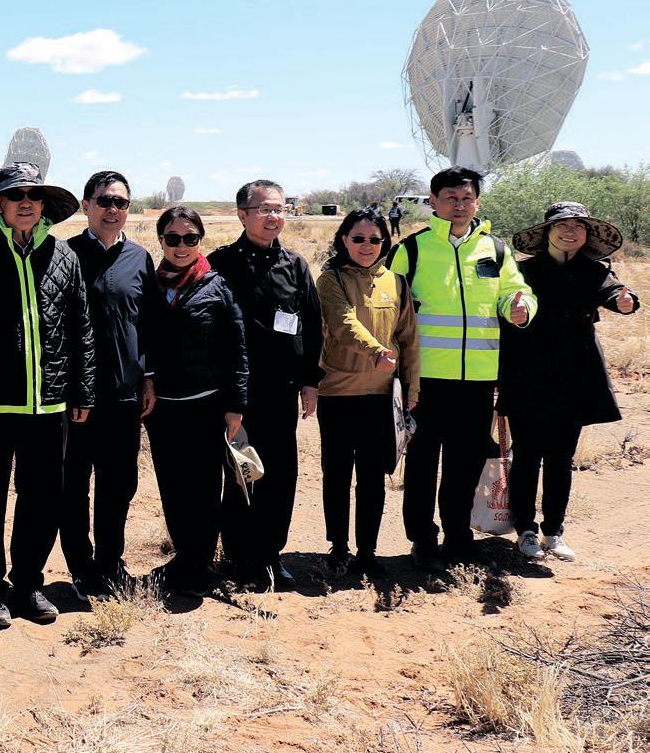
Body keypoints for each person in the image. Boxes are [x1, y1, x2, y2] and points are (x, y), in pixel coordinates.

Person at [0, 163, 95, 629]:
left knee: (42, 500)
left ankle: (28, 584)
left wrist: (82, 389)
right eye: (16, 196)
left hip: (49, 406)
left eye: (34, 195)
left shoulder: (64, 256)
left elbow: (81, 328)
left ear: (44, 204)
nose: (26, 203)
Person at [389, 167, 536, 570]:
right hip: (425, 379)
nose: (459, 204)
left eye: (466, 197)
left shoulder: (496, 250)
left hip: (478, 379)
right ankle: (423, 540)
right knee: (422, 464)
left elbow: (516, 291)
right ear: (433, 202)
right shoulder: (411, 250)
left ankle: (458, 536)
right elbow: (389, 305)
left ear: (477, 202)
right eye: (450, 197)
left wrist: (521, 308)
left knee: (465, 464)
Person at [500, 202, 639, 563]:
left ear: (587, 235)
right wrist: (512, 313)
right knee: (527, 455)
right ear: (546, 232)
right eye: (562, 225)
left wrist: (626, 301)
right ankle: (525, 530)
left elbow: (615, 293)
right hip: (528, 374)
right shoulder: (521, 271)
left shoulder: (595, 271)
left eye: (578, 226)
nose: (570, 232)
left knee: (561, 457)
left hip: (575, 376)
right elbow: (504, 307)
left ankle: (553, 531)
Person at [210, 179, 323, 591]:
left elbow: (312, 324)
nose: (273, 216)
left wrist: (309, 381)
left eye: (279, 208)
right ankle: (240, 557)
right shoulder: (220, 263)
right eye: (264, 209)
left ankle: (271, 556)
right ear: (243, 215)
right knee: (242, 474)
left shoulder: (295, 265)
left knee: (280, 476)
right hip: (237, 395)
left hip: (281, 390)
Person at [59, 170, 157, 601]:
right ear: (86, 206)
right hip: (76, 398)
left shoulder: (139, 258)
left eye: (121, 202)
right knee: (73, 486)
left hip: (124, 395)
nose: (112, 209)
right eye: (104, 201)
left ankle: (111, 563)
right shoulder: (63, 255)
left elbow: (148, 324)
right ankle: (82, 568)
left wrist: (148, 376)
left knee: (118, 485)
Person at [143, 206, 248, 597]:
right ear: (161, 241)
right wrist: (147, 379)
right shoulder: (151, 285)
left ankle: (199, 565)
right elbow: (142, 340)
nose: (181, 246)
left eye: (190, 238)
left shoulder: (216, 285)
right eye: (173, 238)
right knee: (173, 488)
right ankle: (185, 558)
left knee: (204, 490)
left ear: (200, 240)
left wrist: (235, 405)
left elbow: (237, 349)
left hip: (206, 406)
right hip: (164, 409)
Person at [314, 207, 419, 579]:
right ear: (344, 240)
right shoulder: (331, 280)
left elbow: (409, 339)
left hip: (381, 398)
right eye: (358, 238)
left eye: (375, 239)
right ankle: (338, 548)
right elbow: (343, 323)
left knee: (373, 478)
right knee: (337, 475)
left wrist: (412, 388)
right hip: (337, 395)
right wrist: (376, 351)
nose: (366, 245)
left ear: (384, 242)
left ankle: (367, 551)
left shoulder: (398, 283)